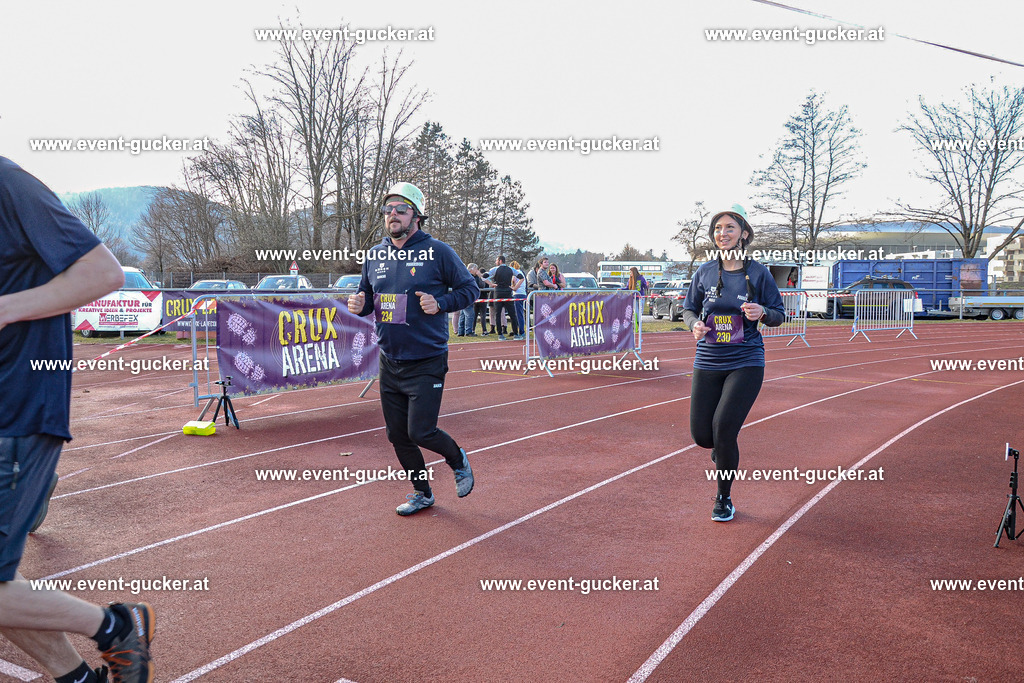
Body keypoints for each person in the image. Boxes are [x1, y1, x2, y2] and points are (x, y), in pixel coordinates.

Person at [0, 156, 155, 683]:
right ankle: (78, 679)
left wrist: (5, 307)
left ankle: (116, 625)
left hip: (17, 412)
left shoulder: (6, 181)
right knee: (4, 582)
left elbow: (103, 273)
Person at [348, 182, 479, 516]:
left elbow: (470, 289)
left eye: (401, 209)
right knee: (397, 435)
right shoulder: (374, 255)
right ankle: (422, 493)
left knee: (421, 431)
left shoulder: (438, 252)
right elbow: (367, 299)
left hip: (427, 358)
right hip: (389, 359)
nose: (393, 214)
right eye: (388, 209)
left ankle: (457, 459)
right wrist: (358, 305)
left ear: (417, 216)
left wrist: (442, 302)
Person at [681, 204, 785, 523]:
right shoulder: (705, 272)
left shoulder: (758, 273)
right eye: (717, 229)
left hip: (746, 360)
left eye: (729, 228)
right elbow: (688, 309)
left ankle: (723, 498)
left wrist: (763, 314)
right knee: (703, 436)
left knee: (724, 429)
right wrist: (694, 325)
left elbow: (780, 314)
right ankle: (720, 450)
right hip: (709, 359)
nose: (722, 233)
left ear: (744, 233)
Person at [483, 256, 522, 341]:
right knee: (512, 314)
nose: (495, 262)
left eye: (496, 260)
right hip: (508, 292)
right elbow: (521, 277)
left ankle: (500, 334)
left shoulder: (495, 269)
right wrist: (515, 287)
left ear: (500, 261)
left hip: (498, 292)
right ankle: (516, 334)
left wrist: (491, 284)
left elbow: (484, 276)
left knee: (498, 313)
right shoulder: (511, 269)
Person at [509, 259, 527, 336]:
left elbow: (515, 286)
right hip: (523, 294)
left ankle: (521, 331)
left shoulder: (516, 274)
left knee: (518, 314)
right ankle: (518, 329)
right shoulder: (521, 272)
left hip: (518, 295)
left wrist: (511, 287)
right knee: (519, 314)